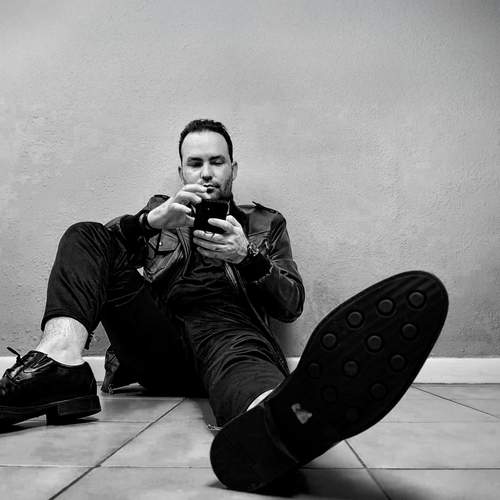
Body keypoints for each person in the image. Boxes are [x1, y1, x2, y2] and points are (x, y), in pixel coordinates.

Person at [0, 119, 448, 492]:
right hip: (159, 339)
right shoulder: (160, 213)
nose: (206, 173)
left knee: (242, 358)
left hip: (228, 335)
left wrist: (247, 256)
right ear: (180, 171)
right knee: (85, 233)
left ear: (234, 168)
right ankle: (57, 364)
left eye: (216, 162)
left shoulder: (266, 223)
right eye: (195, 164)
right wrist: (147, 222)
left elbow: (291, 304)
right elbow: (100, 257)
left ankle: (280, 422)